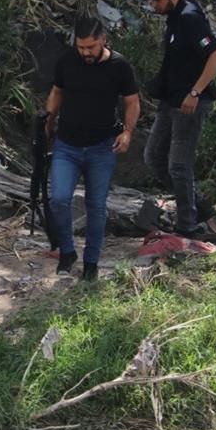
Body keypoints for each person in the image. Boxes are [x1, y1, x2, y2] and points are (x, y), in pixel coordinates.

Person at [45, 17, 140, 281]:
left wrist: (128, 132)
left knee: (96, 205)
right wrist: (48, 120)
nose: (85, 52)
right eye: (81, 47)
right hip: (67, 144)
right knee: (59, 199)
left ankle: (91, 263)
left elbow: (132, 103)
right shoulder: (66, 61)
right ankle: (67, 251)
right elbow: (57, 92)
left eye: (91, 47)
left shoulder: (119, 66)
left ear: (103, 40)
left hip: (102, 147)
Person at [142, 0, 216, 243]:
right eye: (153, 0)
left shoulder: (190, 17)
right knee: (154, 156)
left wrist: (195, 92)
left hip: (190, 104)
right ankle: (197, 206)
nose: (155, 5)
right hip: (170, 101)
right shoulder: (174, 18)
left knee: (179, 165)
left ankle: (187, 226)